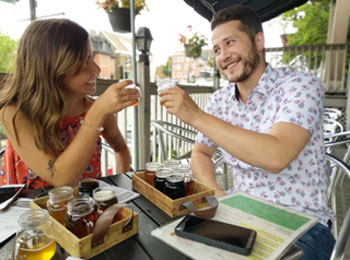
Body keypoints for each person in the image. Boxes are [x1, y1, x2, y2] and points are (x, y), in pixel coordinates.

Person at [158, 5, 335, 259]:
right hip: (240, 217)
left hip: (302, 225)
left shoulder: (300, 86)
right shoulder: (220, 100)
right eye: (217, 49)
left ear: (259, 41)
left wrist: (196, 116)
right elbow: (200, 153)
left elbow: (277, 155)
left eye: (230, 42)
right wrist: (218, 199)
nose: (223, 56)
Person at [0, 19, 139, 189]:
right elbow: (60, 179)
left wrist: (122, 189)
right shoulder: (15, 113)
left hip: (85, 208)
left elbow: (121, 150)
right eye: (84, 61)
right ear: (52, 68)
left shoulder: (94, 109)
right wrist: (97, 113)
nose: (96, 70)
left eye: (92, 58)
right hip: (29, 211)